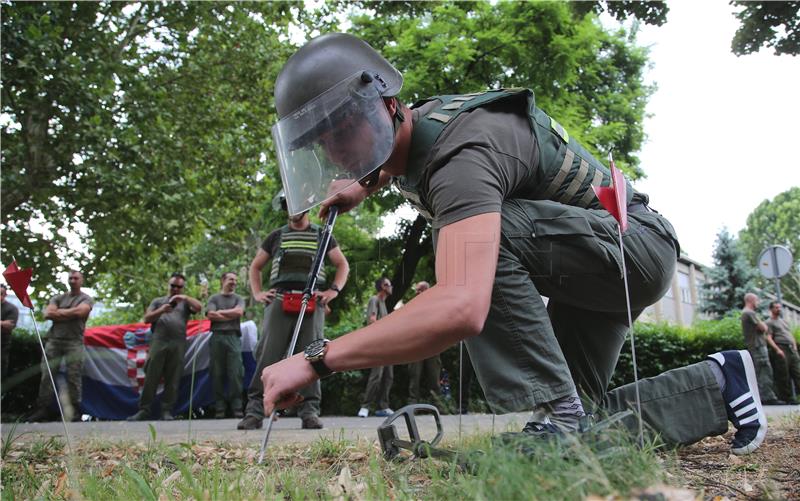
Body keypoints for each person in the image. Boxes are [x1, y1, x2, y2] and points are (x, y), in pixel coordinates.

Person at [259, 33, 769, 455]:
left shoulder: (461, 158)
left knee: (472, 245)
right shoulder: (424, 131)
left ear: (386, 104)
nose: (335, 152)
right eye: (321, 142)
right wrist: (364, 184)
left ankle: (562, 417)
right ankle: (718, 382)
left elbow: (462, 305)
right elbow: (405, 147)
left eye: (342, 131)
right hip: (596, 261)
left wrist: (316, 358)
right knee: (577, 439)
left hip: (634, 249)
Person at [236, 191, 349, 430]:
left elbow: (342, 264)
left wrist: (333, 291)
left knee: (313, 354)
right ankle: (254, 411)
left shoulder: (322, 234)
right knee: (267, 353)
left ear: (306, 207)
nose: (293, 209)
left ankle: (309, 411)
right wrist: (257, 294)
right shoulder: (276, 236)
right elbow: (256, 267)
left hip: (312, 301)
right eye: (288, 205)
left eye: (297, 204)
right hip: (280, 299)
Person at [128, 273, 201, 421]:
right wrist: (161, 310)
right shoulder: (158, 301)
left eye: (179, 287)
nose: (175, 289)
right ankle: (144, 409)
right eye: (173, 285)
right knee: (151, 375)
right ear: (168, 285)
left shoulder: (185, 303)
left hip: (178, 342)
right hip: (159, 340)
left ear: (182, 288)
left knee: (173, 377)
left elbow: (199, 307)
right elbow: (147, 319)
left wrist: (185, 298)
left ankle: (166, 410)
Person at [28, 270, 93, 422]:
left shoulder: (86, 298)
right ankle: (43, 409)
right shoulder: (57, 297)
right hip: (54, 340)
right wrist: (70, 313)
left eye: (76, 278)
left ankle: (74, 411)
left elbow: (81, 312)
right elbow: (48, 314)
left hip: (74, 342)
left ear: (81, 280)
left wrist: (59, 313)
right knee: (47, 375)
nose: (73, 280)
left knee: (73, 376)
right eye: (70, 277)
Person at [207, 272, 246, 418]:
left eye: (236, 280)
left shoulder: (239, 299)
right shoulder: (214, 298)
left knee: (236, 372)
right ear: (223, 280)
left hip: (233, 337)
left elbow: (239, 312)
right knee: (216, 373)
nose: (234, 282)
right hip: (217, 337)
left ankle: (237, 407)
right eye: (231, 279)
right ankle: (219, 407)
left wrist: (220, 313)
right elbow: (210, 315)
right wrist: (230, 314)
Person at [357, 277, 394, 417]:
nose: (391, 287)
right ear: (383, 286)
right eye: (389, 284)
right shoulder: (375, 300)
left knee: (388, 376)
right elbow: (372, 321)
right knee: (376, 376)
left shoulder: (384, 303)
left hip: (387, 345)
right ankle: (365, 406)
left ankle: (383, 407)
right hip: (379, 345)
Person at [740, 293, 783, 405]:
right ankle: (768, 397)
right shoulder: (749, 313)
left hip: (755, 346)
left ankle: (765, 396)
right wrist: (764, 325)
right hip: (758, 347)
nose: (758, 303)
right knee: (764, 371)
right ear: (751, 300)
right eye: (757, 300)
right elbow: (763, 328)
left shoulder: (747, 313)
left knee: (760, 372)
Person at [407, 281, 441, 404]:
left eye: (420, 289)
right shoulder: (411, 306)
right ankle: (413, 403)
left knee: (434, 376)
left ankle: (437, 404)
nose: (417, 292)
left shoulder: (435, 306)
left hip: (432, 346)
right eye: (416, 290)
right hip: (416, 345)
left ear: (427, 290)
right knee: (414, 376)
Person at [766, 301, 800, 404]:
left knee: (798, 372)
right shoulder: (769, 322)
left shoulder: (784, 321)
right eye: (776, 307)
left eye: (779, 307)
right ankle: (788, 398)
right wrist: (777, 350)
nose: (779, 309)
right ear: (771, 309)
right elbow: (768, 338)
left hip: (791, 349)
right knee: (784, 375)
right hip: (781, 348)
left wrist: (794, 346)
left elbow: (789, 334)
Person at [1, 284, 20, 380]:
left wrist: (4, 324)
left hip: (2, 347)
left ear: (5, 295)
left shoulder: (11, 309)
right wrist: (2, 323)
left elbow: (9, 326)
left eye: (1, 294)